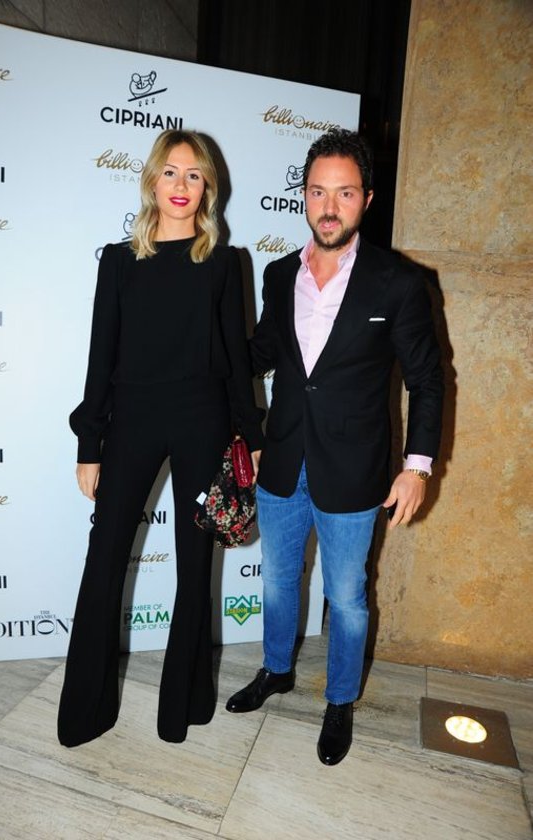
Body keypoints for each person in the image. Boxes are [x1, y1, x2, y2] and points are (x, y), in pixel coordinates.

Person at [225, 128, 443, 766]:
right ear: (303, 194)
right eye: (318, 191)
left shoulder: (398, 283)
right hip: (281, 459)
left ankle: (340, 698)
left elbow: (429, 380)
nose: (329, 206)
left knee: (345, 596)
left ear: (366, 199)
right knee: (276, 580)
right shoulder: (278, 275)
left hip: (354, 469)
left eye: (344, 193)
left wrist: (417, 468)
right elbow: (261, 354)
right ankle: (276, 669)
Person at [58, 129, 263, 747]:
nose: (181, 185)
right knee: (104, 557)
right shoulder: (120, 260)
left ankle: (184, 707)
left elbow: (236, 360)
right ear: (152, 181)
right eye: (171, 172)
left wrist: (251, 436)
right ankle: (86, 712)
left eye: (194, 175)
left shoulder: (225, 263)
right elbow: (101, 357)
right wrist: (90, 444)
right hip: (134, 419)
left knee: (195, 565)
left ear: (208, 188)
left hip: (204, 419)